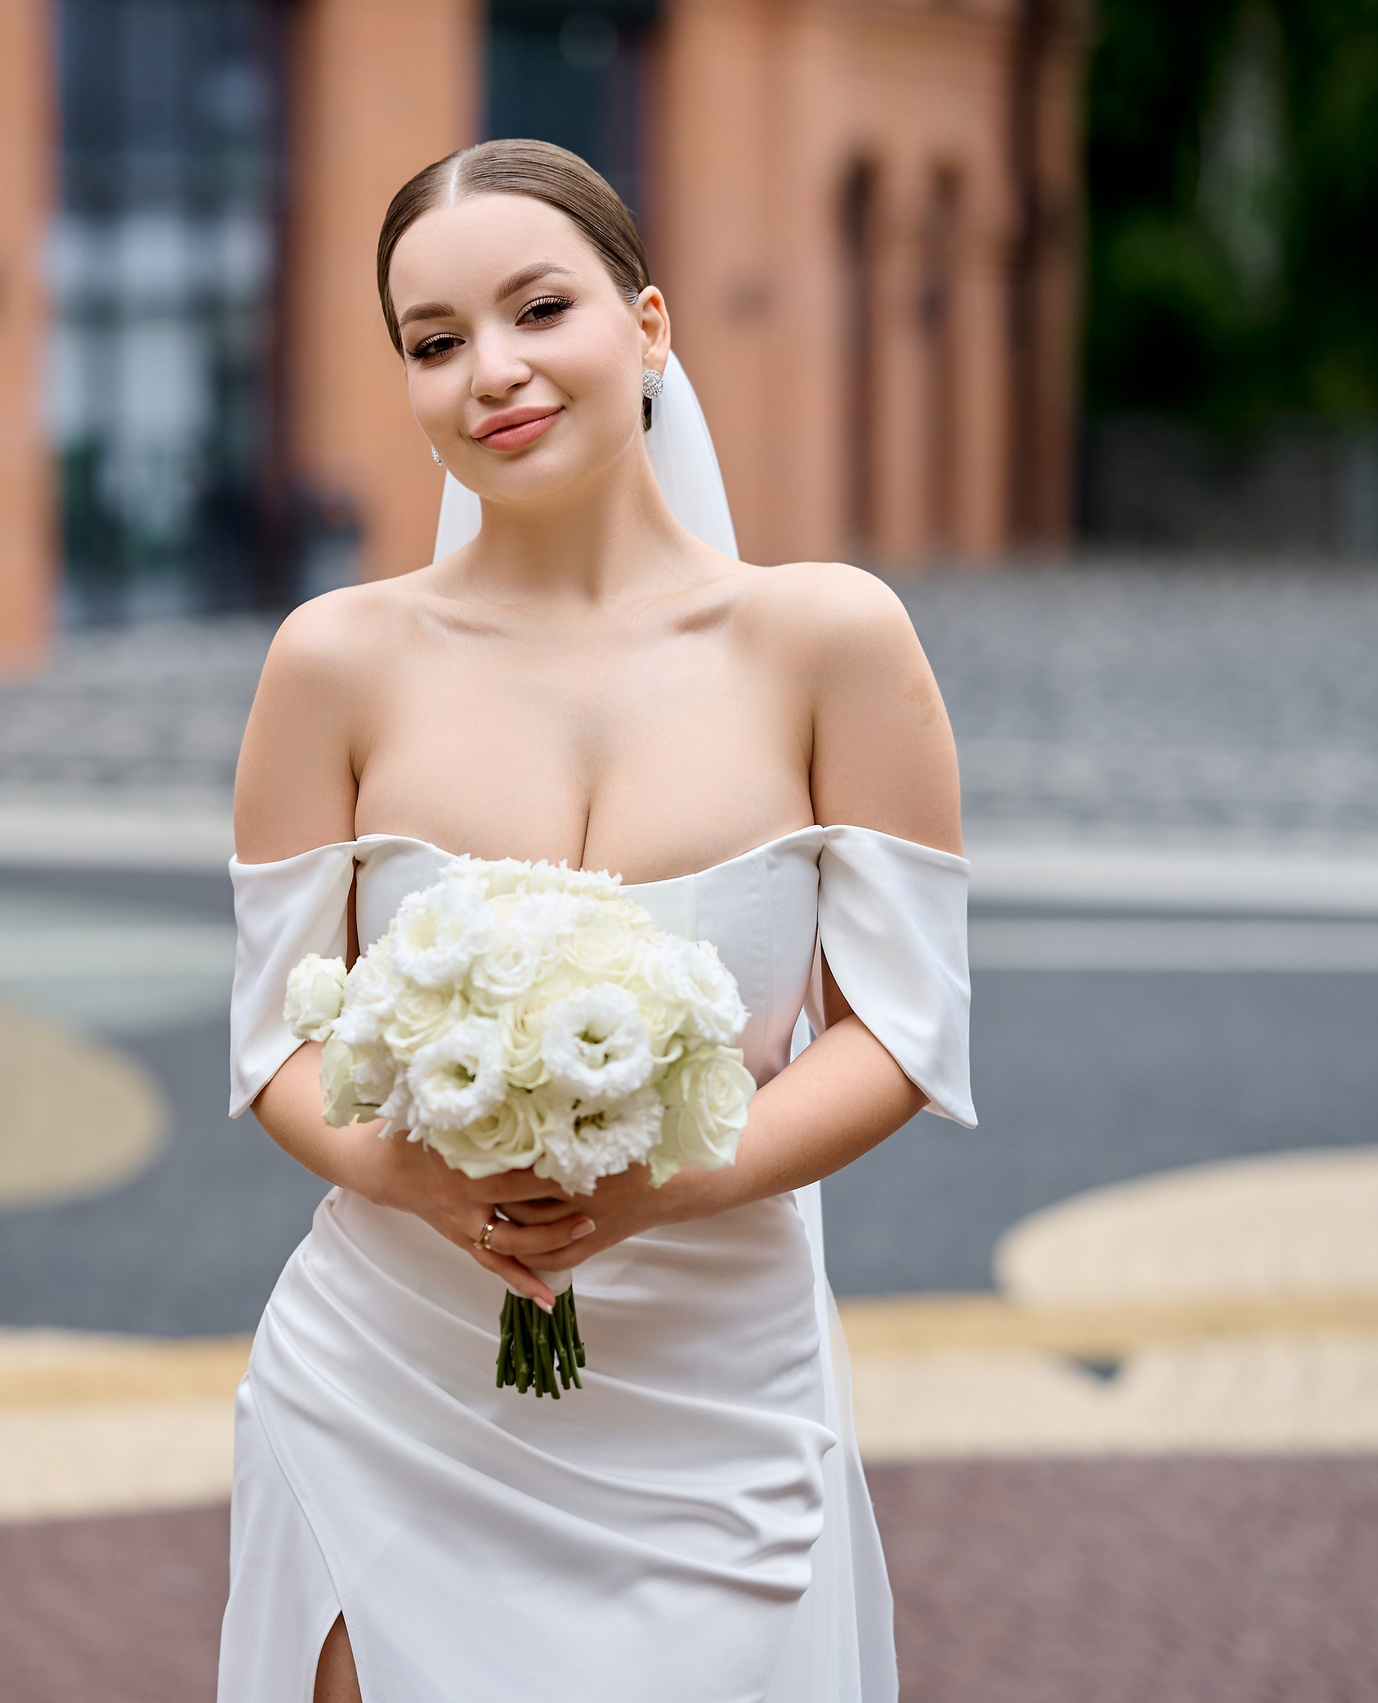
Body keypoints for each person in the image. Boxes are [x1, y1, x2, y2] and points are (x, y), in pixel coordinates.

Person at [223, 139, 973, 1703]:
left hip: (720, 1395)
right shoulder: (332, 662)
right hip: (390, 1375)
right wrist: (414, 1176)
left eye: (536, 308)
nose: (489, 370)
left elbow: (900, 1029)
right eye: (434, 342)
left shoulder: (828, 639)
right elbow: (276, 1041)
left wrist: (659, 1189)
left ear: (647, 327)